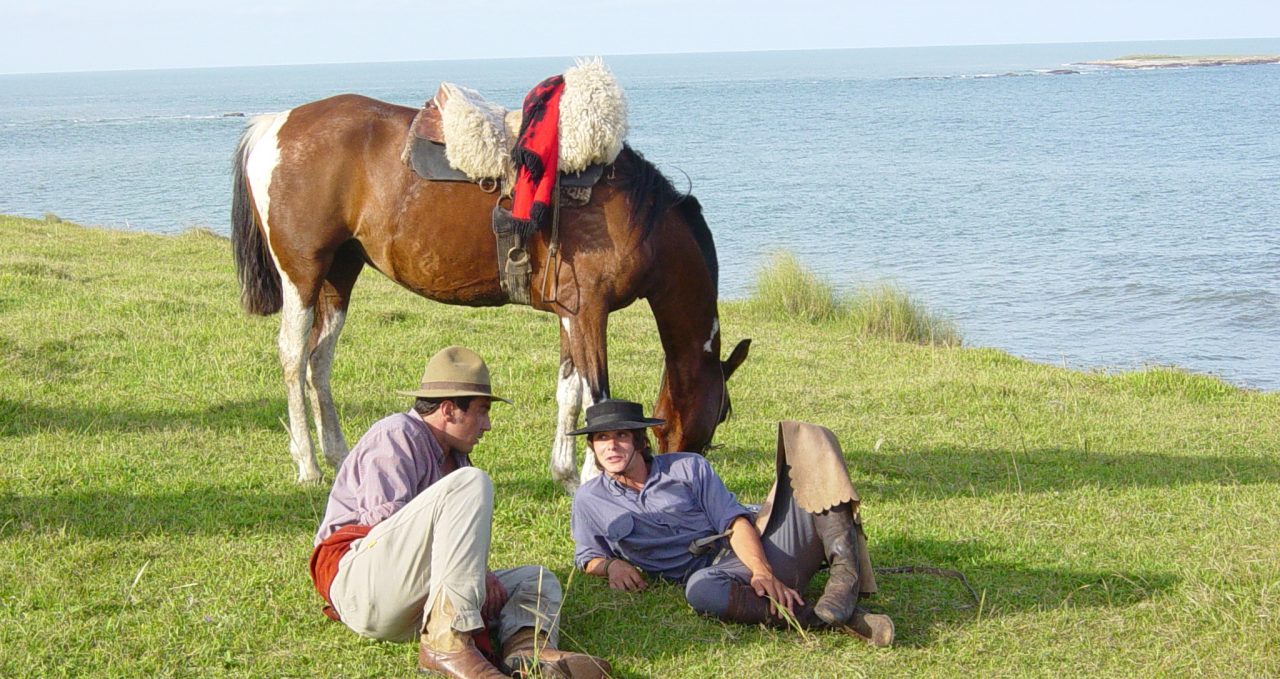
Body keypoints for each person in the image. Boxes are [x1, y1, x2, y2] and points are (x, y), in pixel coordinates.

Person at [309, 346, 610, 679]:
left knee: (536, 579)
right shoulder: (396, 434)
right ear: (449, 410)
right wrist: (477, 574)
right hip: (364, 588)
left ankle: (525, 650)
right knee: (471, 482)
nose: (488, 425)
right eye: (481, 411)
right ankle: (446, 643)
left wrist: (480, 573)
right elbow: (383, 527)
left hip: (413, 601)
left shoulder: (454, 455)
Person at [570, 399, 894, 646]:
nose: (611, 446)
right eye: (602, 438)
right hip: (713, 575)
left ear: (640, 440)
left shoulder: (688, 467)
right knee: (701, 592)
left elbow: (736, 522)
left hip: (760, 546)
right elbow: (586, 556)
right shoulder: (589, 499)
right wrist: (611, 566)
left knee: (809, 439)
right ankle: (831, 617)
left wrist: (762, 571)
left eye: (622, 435)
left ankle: (844, 582)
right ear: (593, 447)